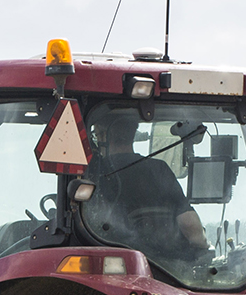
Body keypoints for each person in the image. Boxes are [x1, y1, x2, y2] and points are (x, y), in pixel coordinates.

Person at [84, 109, 209, 257]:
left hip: (114, 262)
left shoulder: (94, 173)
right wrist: (203, 248)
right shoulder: (159, 169)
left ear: (103, 136)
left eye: (96, 135)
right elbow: (189, 224)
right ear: (132, 134)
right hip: (165, 267)